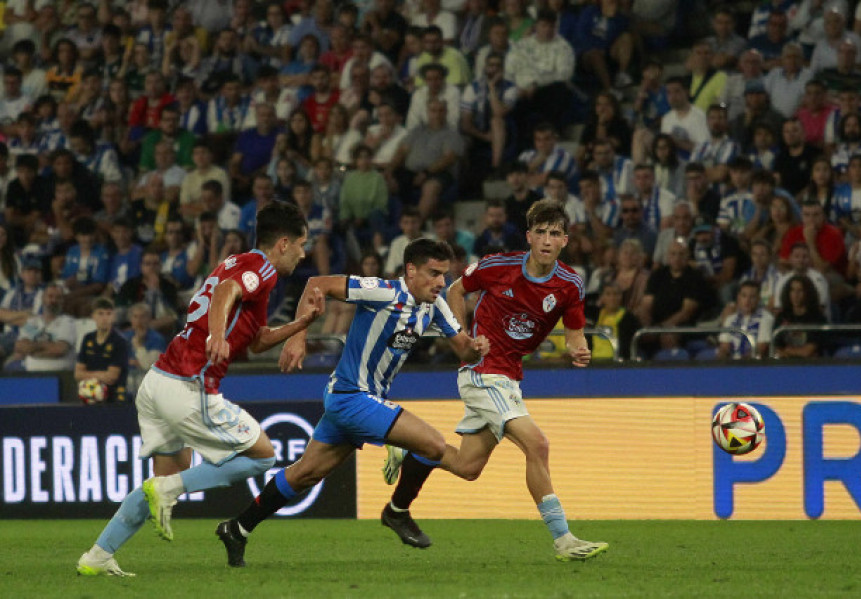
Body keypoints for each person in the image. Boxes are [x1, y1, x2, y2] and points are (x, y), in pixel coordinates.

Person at [76, 202, 325, 577]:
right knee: (262, 456)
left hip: (157, 381)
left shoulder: (236, 263)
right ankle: (169, 490)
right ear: (284, 243)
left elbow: (256, 341)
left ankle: (98, 555)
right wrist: (218, 334)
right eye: (302, 244)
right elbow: (226, 292)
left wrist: (302, 323)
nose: (304, 253)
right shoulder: (262, 268)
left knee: (160, 485)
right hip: (189, 384)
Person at [214, 238, 491, 566]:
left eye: (444, 275)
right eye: (433, 273)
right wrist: (298, 336)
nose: (440, 282)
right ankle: (397, 512)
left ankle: (238, 528)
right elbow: (317, 284)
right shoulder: (384, 291)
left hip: (356, 402)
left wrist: (476, 346)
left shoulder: (436, 305)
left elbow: (461, 346)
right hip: (352, 397)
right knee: (432, 444)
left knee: (304, 474)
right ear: (411, 270)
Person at [377, 200, 608, 562]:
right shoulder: (498, 265)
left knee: (468, 467)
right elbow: (455, 290)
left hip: (511, 376)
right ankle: (564, 539)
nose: (547, 240)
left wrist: (579, 350)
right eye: (541, 232)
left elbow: (576, 333)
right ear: (529, 236)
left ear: (565, 240)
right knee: (538, 445)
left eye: (555, 233)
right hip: (483, 371)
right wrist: (462, 339)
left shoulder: (570, 284)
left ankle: (411, 448)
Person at [75, 297, 130, 403]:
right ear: (93, 316)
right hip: (90, 393)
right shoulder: (88, 339)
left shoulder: (119, 341)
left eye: (108, 314)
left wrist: (88, 375)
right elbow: (78, 374)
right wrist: (101, 375)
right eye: (100, 314)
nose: (105, 318)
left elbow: (112, 377)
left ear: (113, 316)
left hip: (115, 397)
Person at [717, 280, 774, 359]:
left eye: (752, 297)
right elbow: (724, 347)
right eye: (744, 296)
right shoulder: (730, 319)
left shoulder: (766, 318)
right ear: (738, 298)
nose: (747, 301)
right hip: (731, 364)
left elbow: (761, 349)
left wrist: (741, 364)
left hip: (753, 365)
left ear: (758, 299)